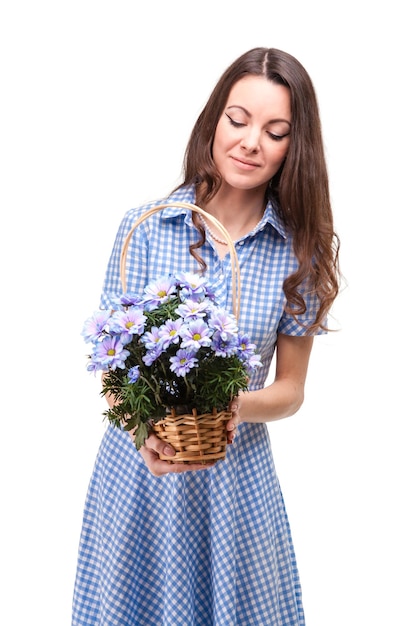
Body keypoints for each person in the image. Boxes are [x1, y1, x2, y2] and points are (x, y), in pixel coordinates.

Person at [72, 47, 340, 625]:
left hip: (234, 486)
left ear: (296, 148)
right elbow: (113, 371)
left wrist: (224, 406)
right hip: (138, 477)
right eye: (238, 120)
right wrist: (144, 431)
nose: (250, 143)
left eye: (275, 131)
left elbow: (291, 389)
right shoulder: (145, 228)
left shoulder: (298, 253)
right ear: (214, 120)